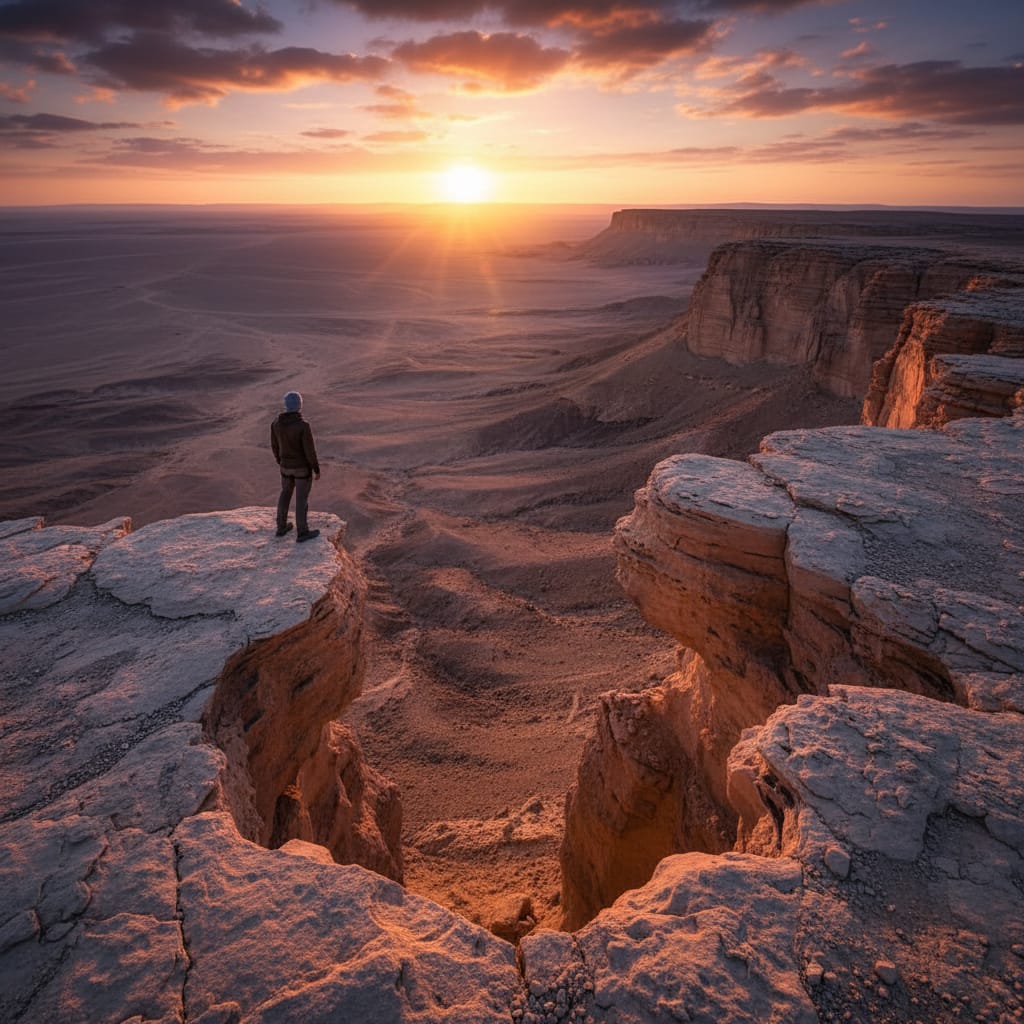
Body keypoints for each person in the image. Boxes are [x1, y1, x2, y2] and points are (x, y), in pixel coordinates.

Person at [271, 391, 321, 542]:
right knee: (301, 499)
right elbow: (309, 450)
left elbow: (274, 446)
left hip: (285, 467)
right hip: (301, 470)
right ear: (299, 405)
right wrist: (316, 469)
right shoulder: (303, 426)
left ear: (286, 406)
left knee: (285, 494)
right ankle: (302, 532)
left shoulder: (276, 424)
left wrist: (280, 461)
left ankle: (281, 527)